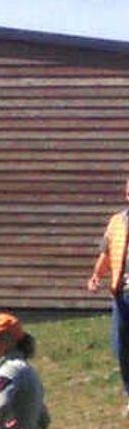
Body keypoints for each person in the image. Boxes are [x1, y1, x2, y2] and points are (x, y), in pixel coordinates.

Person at [85, 173, 129, 416]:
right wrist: (96, 276)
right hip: (122, 294)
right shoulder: (117, 222)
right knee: (122, 346)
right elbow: (106, 252)